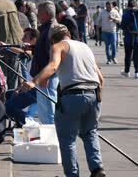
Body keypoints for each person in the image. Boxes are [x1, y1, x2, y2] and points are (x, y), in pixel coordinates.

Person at [20, 24, 105, 177]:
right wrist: (96, 100)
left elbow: (53, 66)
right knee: (90, 133)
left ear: (52, 39)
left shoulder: (58, 47)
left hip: (72, 94)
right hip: (93, 94)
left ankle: (72, 174)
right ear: (68, 35)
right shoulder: (85, 47)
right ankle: (97, 169)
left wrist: (34, 81)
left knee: (67, 139)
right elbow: (100, 78)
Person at [29, 1, 59, 124]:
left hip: (46, 78)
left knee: (48, 112)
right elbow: (43, 50)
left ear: (46, 14)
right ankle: (52, 138)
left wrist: (46, 76)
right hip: (43, 76)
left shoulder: (51, 29)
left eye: (39, 14)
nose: (37, 16)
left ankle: (54, 139)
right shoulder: (46, 28)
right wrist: (32, 47)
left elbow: (51, 56)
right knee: (44, 111)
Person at [3, 28, 40, 126]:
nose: (22, 39)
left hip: (36, 90)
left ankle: (29, 123)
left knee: (8, 106)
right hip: (30, 88)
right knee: (7, 94)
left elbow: (23, 52)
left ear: (34, 40)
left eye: (26, 37)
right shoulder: (31, 53)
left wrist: (5, 46)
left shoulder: (36, 52)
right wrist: (18, 89)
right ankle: (19, 123)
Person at [120, 0, 138, 78]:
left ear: (128, 5)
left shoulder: (125, 14)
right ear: (135, 5)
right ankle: (137, 72)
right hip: (137, 37)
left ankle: (127, 72)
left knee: (128, 55)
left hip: (128, 37)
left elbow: (122, 26)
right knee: (136, 55)